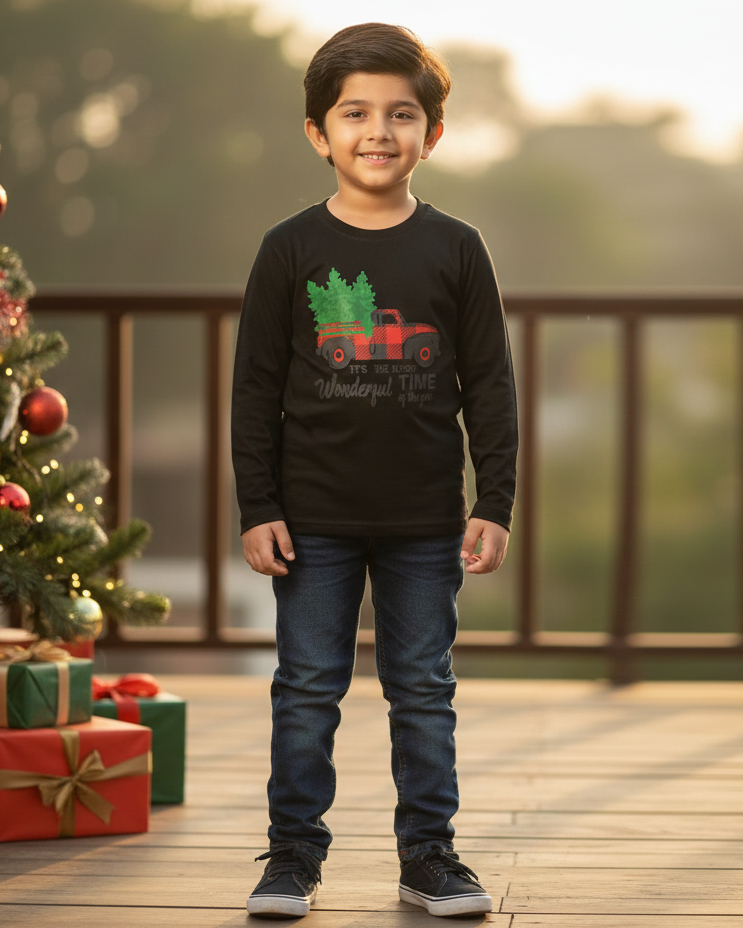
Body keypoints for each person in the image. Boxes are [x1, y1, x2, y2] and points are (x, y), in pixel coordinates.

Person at [231, 22, 518, 919]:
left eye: (401, 113)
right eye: (354, 112)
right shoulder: (288, 248)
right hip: (309, 517)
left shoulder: (457, 247)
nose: (378, 131)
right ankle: (291, 858)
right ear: (319, 132)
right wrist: (258, 505)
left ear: (431, 133)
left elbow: (491, 386)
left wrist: (493, 500)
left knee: (423, 690)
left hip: (426, 519)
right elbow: (254, 390)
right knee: (307, 688)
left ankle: (429, 855)